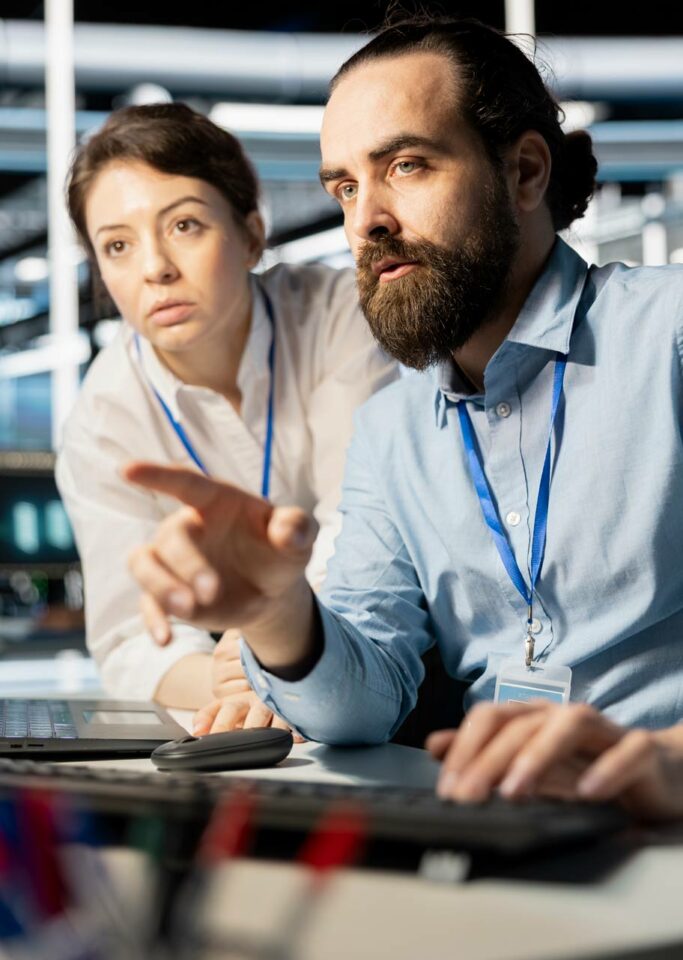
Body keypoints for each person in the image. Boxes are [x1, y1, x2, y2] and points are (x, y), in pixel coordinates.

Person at [123, 18, 683, 819]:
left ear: (524, 172)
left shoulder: (668, 336)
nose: (364, 222)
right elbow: (365, 702)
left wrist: (667, 764)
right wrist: (277, 613)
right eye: (345, 188)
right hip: (501, 826)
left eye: (406, 166)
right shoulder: (392, 431)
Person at [56, 102, 397, 722]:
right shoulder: (100, 423)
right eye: (118, 246)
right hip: (239, 690)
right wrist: (240, 679)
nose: (155, 267)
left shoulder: (338, 317)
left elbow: (360, 530)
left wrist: (279, 647)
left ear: (251, 236)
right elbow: (130, 638)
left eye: (184, 225)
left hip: (372, 655)